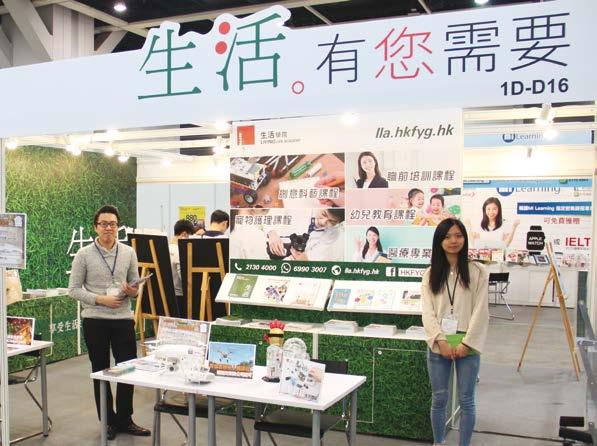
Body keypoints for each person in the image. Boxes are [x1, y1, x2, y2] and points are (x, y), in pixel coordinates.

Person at [68, 205, 150, 441]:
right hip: (95, 320)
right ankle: (108, 421)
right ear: (96, 227)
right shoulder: (83, 254)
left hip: (123, 318)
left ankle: (125, 419)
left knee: (127, 369)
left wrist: (133, 291)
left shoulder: (128, 252)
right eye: (104, 224)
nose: (108, 228)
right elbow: (73, 289)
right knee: (100, 370)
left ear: (117, 227)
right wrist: (100, 299)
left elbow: (135, 286)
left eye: (113, 224)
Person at [421, 218, 489, 446]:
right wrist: (440, 341)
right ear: (439, 241)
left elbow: (481, 311)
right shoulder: (430, 274)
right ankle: (438, 442)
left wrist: (467, 343)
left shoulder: (478, 271)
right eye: (448, 236)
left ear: (465, 239)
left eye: (458, 235)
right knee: (439, 398)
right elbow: (427, 312)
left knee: (467, 400)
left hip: (467, 344)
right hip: (439, 343)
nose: (453, 241)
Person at [267, 209, 345, 261]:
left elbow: (316, 254)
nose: (323, 222)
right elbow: (272, 213)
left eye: (332, 221)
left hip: (296, 259)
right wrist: (272, 232)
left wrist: (304, 259)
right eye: (323, 214)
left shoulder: (334, 232)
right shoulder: (302, 208)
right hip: (271, 249)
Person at [169, 219, 194, 316]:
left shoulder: (163, 248)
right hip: (179, 298)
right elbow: (183, 278)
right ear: (184, 234)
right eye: (189, 237)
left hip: (165, 297)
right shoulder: (179, 251)